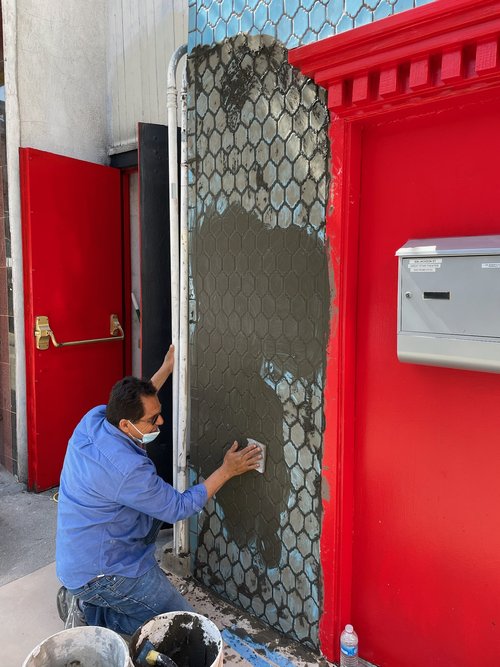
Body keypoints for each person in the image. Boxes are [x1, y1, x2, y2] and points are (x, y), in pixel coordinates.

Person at [55, 345, 261, 636]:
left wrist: (166, 367)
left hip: (82, 554)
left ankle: (93, 598)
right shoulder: (127, 471)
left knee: (151, 510)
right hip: (103, 573)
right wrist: (227, 470)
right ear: (126, 425)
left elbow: (137, 406)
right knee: (183, 625)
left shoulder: (95, 419)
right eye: (153, 420)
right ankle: (91, 611)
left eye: (158, 414)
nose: (160, 422)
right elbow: (178, 508)